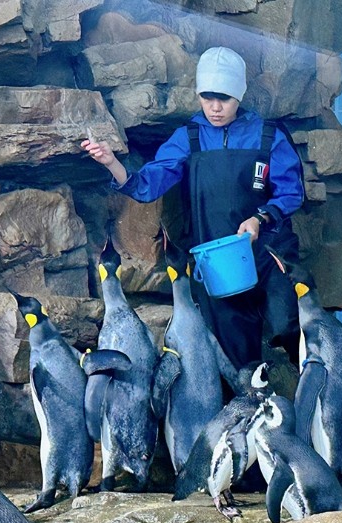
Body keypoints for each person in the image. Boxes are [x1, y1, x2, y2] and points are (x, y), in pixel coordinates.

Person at [82, 46, 303, 369]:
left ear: (239, 95)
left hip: (270, 256)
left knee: (291, 328)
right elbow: (147, 185)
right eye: (207, 98)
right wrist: (112, 163)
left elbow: (292, 193)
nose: (215, 108)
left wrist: (259, 217)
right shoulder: (189, 137)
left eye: (224, 99)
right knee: (237, 361)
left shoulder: (268, 136)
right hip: (218, 264)